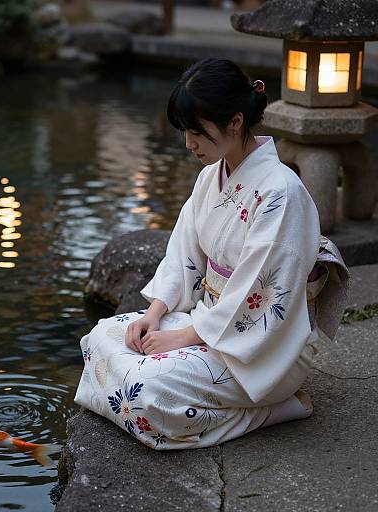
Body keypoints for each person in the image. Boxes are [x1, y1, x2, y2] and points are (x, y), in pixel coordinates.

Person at [74, 58, 349, 450]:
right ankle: (239, 405)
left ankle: (273, 408)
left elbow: (259, 293)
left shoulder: (280, 194)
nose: (189, 144)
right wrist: (154, 314)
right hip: (211, 321)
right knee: (99, 339)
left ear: (235, 122)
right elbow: (184, 252)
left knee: (140, 390)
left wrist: (184, 337)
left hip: (260, 348)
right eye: (185, 132)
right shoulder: (210, 177)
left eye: (196, 132)